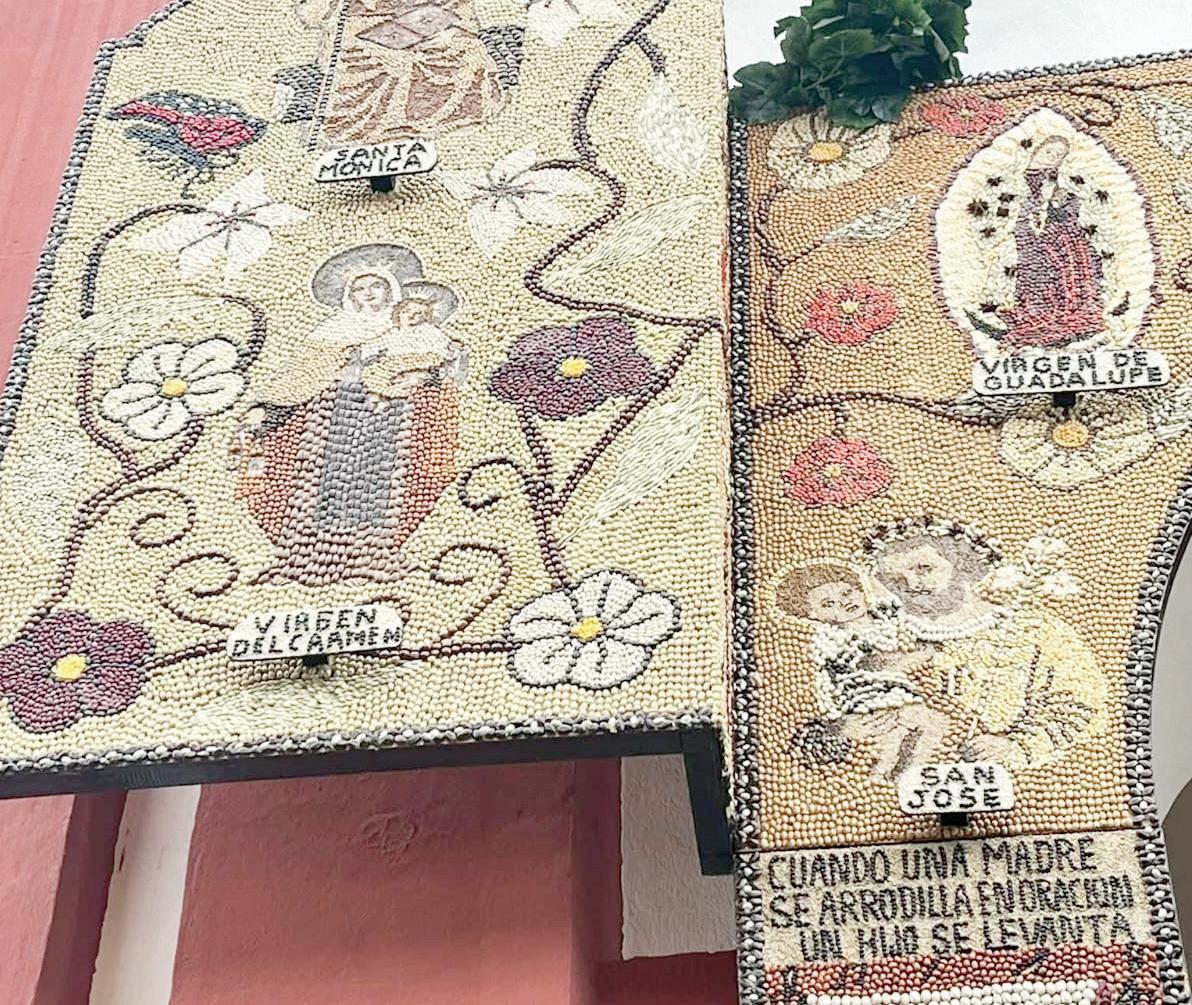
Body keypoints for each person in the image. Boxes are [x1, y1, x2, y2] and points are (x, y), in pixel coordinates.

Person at [231, 244, 465, 586]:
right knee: (319, 488)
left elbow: (442, 369)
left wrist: (423, 375)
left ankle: (371, 555)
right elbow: (297, 378)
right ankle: (305, 557)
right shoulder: (331, 330)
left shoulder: (412, 330)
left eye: (376, 286)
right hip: (330, 421)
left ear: (392, 291)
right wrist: (263, 410)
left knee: (376, 486)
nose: (368, 294)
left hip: (390, 419)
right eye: (359, 288)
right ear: (349, 295)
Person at [867, 520, 1108, 768]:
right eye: (895, 579)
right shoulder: (885, 638)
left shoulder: (1034, 629)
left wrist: (1016, 746)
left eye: (924, 568)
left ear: (963, 564)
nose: (912, 584)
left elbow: (1082, 709)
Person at [775, 562, 951, 781]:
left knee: (917, 729)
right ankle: (892, 774)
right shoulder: (836, 639)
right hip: (866, 693)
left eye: (847, 593)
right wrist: (922, 654)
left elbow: (890, 603)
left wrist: (867, 574)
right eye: (828, 604)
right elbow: (874, 666)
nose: (844, 602)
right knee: (920, 720)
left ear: (860, 590)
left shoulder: (882, 617)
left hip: (897, 690)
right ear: (813, 615)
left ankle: (895, 774)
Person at [998, 135, 1106, 348]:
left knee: (1075, 256)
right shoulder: (1015, 178)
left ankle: (1073, 315)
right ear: (1036, 150)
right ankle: (1037, 314)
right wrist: (1036, 207)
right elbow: (1007, 205)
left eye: (1059, 155)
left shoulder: (1059, 180)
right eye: (1049, 151)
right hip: (1026, 232)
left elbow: (1070, 207)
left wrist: (1058, 203)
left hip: (1057, 229)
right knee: (1036, 266)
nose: (1052, 157)